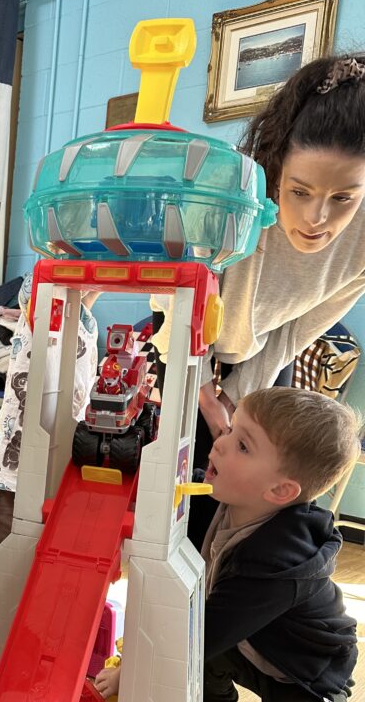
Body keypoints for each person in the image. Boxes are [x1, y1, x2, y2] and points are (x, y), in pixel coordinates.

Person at [97, 387, 365, 702]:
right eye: (230, 427)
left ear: (279, 491)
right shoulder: (223, 496)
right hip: (242, 641)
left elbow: (199, 634)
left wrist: (131, 671)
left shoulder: (276, 564)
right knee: (199, 628)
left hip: (300, 671)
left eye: (242, 444)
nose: (219, 444)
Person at [151, 53, 365, 476]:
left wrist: (239, 396)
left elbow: (297, 327)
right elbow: (177, 292)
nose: (316, 219)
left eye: (343, 198)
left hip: (267, 350)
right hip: (186, 338)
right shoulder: (227, 189)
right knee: (173, 489)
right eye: (299, 191)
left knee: (247, 487)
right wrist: (206, 395)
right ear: (277, 166)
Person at [0, 272, 100, 700]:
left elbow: (89, 293)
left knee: (33, 580)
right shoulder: (44, 315)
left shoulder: (83, 322)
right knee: (8, 581)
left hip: (49, 479)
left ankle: (12, 652)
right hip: (16, 483)